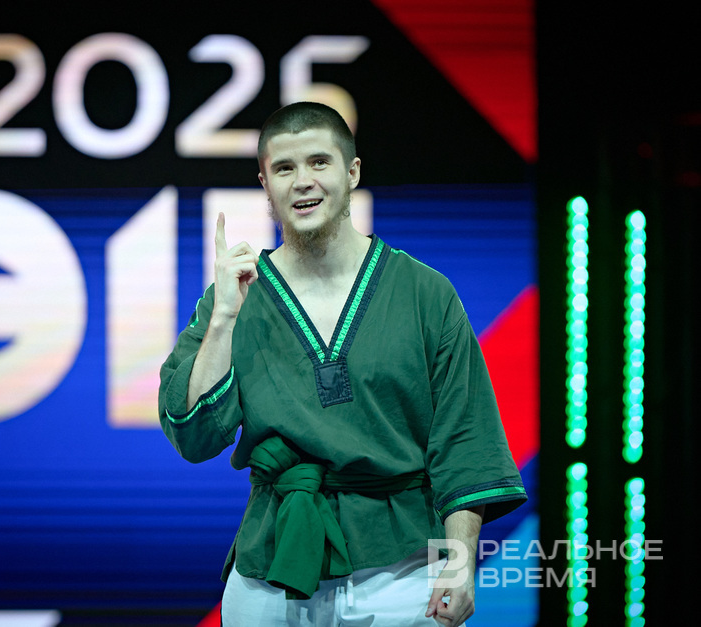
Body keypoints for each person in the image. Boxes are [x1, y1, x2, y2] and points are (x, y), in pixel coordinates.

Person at [158, 102, 526, 626]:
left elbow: (465, 441)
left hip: (404, 574)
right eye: (284, 168)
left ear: (352, 172)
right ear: (265, 185)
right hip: (272, 571)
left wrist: (461, 559)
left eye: (319, 162)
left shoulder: (425, 293)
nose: (302, 181)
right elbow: (192, 436)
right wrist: (223, 319)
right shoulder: (236, 298)